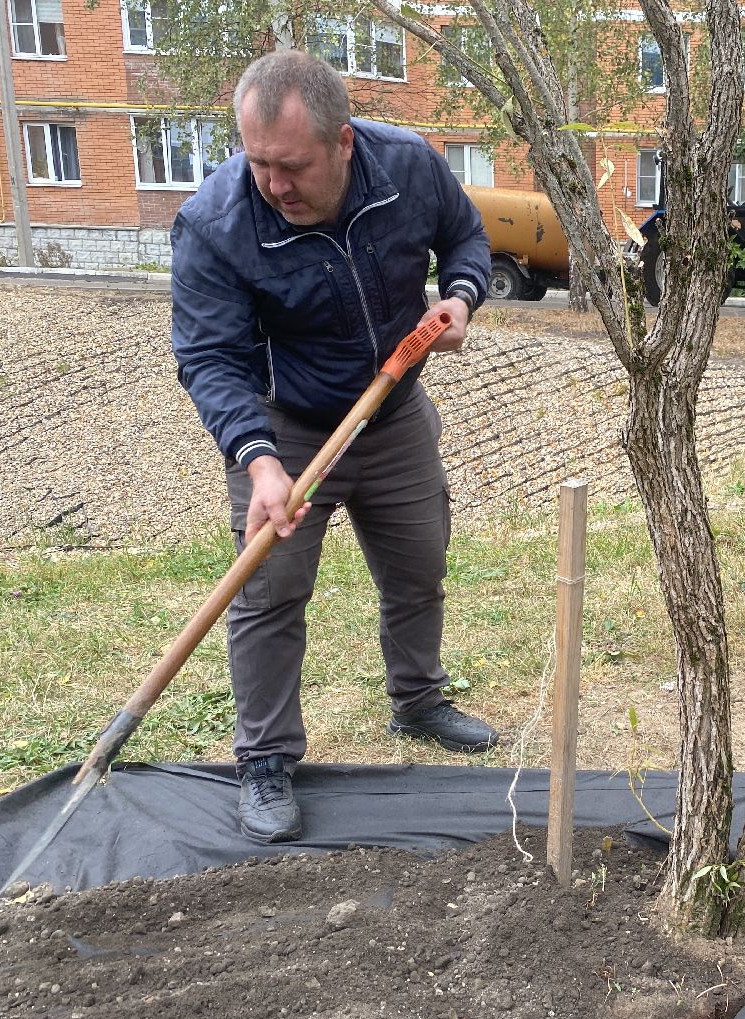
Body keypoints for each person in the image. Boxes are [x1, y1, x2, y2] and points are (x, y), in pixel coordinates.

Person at [170, 50, 499, 844]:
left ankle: (418, 699)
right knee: (268, 592)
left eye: (292, 166)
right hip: (287, 428)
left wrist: (459, 298)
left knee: (420, 566)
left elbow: (465, 237)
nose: (274, 186)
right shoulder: (217, 222)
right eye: (259, 164)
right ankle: (266, 758)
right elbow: (210, 358)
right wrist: (261, 462)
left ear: (343, 142)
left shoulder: (408, 166)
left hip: (393, 417)